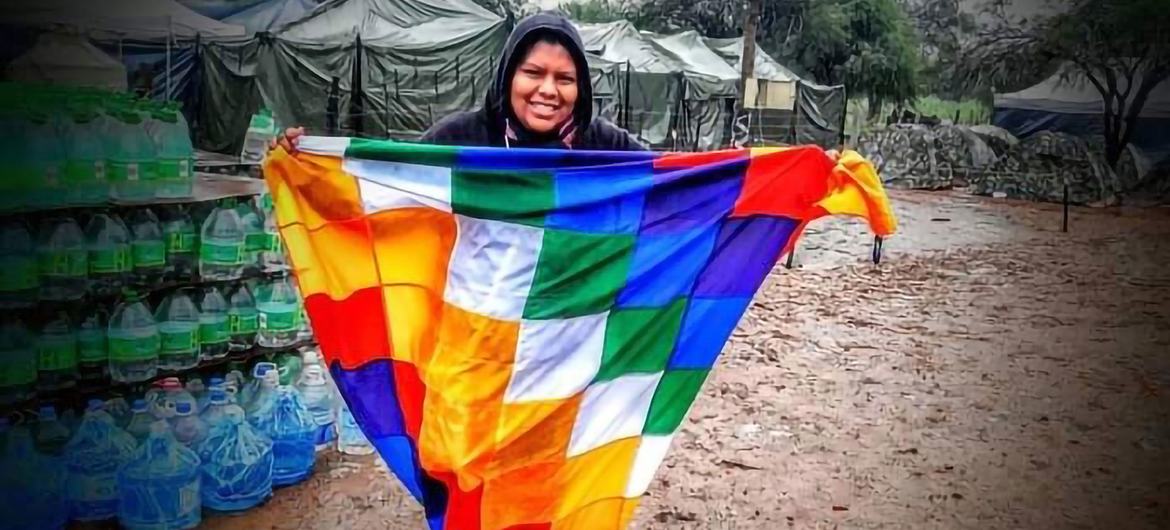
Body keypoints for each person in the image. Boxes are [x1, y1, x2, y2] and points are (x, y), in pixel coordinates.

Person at [273, 11, 645, 153]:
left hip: (574, 320)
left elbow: (678, 189)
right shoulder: (457, 139)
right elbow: (389, 196)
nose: (548, 90)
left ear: (581, 89)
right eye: (532, 73)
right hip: (475, 319)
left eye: (565, 79)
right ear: (507, 77)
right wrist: (305, 163)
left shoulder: (606, 147)